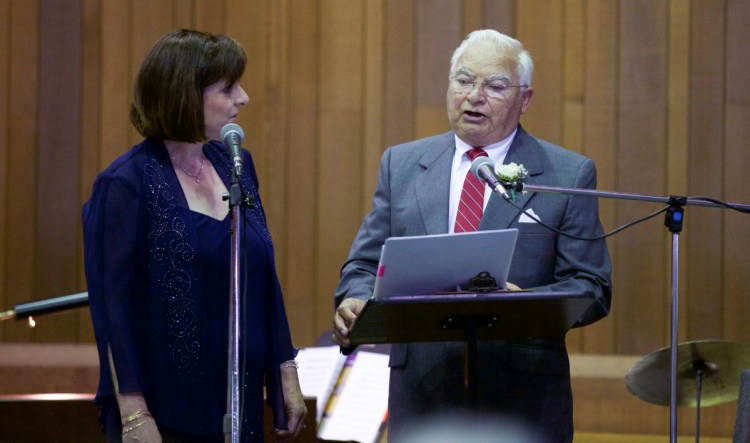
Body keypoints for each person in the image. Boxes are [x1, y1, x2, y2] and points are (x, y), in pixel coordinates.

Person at [332, 29, 612, 442]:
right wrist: (354, 298)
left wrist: (524, 305)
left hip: (521, 396)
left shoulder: (567, 175)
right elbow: (363, 264)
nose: (474, 95)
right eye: (463, 80)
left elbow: (592, 287)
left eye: (495, 86)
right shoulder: (403, 165)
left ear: (525, 100)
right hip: (422, 391)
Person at [83, 29, 307, 442]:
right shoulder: (123, 184)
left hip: (238, 401)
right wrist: (134, 414)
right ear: (184, 95)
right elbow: (112, 312)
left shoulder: (234, 163)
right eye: (228, 88)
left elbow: (262, 277)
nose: (244, 98)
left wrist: (285, 367)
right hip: (165, 412)